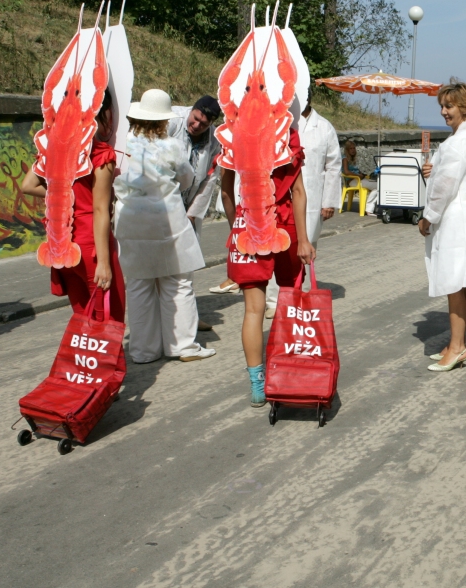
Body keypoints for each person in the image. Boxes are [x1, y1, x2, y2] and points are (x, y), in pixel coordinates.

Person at [113, 89, 215, 364]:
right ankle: (183, 345)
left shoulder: (122, 143)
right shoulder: (172, 145)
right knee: (177, 282)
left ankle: (143, 350)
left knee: (139, 284)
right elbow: (186, 179)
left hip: (130, 221)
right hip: (166, 221)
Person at [220, 126, 315, 407]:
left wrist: (235, 225)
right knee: (290, 300)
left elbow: (226, 191)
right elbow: (298, 192)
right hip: (285, 220)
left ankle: (257, 383)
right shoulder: (285, 131)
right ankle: (287, 367)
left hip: (248, 220)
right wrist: (305, 240)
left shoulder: (235, 130)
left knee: (253, 309)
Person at [22, 90, 125, 321]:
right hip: (91, 244)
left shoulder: (53, 149)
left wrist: (68, 198)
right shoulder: (100, 154)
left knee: (83, 319)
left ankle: (85, 359)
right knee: (109, 320)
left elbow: (27, 185)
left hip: (64, 242)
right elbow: (100, 209)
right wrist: (105, 263)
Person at [418, 79, 466, 372]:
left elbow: (444, 188)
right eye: (441, 106)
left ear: (463, 107)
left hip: (457, 222)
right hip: (465, 221)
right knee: (460, 286)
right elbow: (447, 177)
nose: (443, 111)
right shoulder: (463, 140)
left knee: (454, 285)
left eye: (448, 106)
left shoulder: (460, 143)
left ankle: (458, 346)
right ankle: (456, 343)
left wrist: (428, 217)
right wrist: (434, 171)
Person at [264, 102, 342, 317]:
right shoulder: (280, 125)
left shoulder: (324, 127)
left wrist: (329, 200)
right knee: (277, 248)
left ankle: (302, 296)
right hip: (283, 199)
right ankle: (274, 300)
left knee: (307, 247)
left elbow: (333, 165)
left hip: (313, 196)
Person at [167, 95, 224, 331]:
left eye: (204, 123)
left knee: (186, 266)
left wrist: (191, 215)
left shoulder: (214, 141)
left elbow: (210, 179)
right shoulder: (172, 122)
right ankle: (167, 318)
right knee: (163, 266)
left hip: (189, 205)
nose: (197, 124)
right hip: (163, 204)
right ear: (191, 110)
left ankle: (188, 317)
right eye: (196, 118)